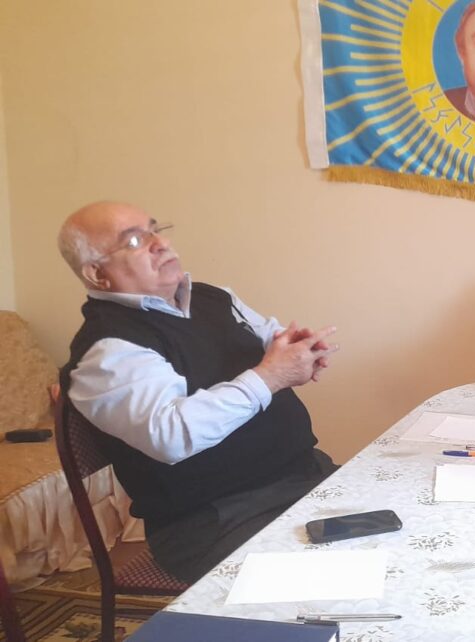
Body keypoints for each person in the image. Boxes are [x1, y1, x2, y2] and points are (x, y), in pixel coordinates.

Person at [57, 201, 340, 583]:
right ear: (97, 273)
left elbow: (267, 336)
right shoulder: (106, 351)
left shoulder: (213, 297)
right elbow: (172, 435)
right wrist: (272, 375)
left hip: (304, 475)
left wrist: (297, 349)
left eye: (156, 230)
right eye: (136, 240)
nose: (160, 244)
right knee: (335, 588)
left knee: (409, 532)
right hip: (216, 520)